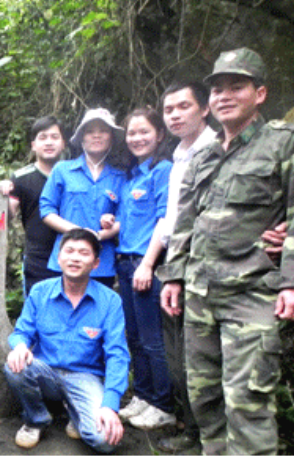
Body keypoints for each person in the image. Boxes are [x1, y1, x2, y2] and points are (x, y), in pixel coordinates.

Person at [158, 48, 294, 454]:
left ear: (261, 93)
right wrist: (175, 276)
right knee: (205, 399)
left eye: (237, 86)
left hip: (251, 294)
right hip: (200, 295)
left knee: (248, 402)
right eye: (217, 89)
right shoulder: (202, 155)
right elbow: (185, 222)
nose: (224, 96)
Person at [4, 228, 129, 452]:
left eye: (83, 253)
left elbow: (117, 355)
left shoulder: (110, 301)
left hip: (85, 377)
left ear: (96, 263)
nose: (75, 258)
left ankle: (77, 411)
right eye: (69, 251)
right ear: (58, 257)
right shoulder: (40, 292)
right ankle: (37, 419)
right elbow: (22, 331)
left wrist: (110, 405)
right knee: (14, 366)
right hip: (45, 372)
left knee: (105, 441)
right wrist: (20, 346)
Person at [154, 80, 216, 451]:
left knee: (207, 361)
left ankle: (210, 438)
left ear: (203, 108)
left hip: (219, 270)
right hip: (177, 265)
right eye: (169, 109)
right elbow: (172, 218)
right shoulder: (178, 156)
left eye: (183, 106)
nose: (175, 114)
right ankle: (192, 431)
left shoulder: (225, 145)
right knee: (180, 357)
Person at [111, 107, 175, 430]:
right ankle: (144, 396)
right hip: (124, 264)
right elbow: (130, 221)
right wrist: (111, 223)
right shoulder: (130, 176)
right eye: (132, 133)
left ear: (160, 135)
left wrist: (148, 264)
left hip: (145, 265)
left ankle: (163, 405)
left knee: (152, 338)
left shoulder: (163, 170)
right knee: (134, 337)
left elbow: (164, 220)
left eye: (144, 132)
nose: (137, 138)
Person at [40, 108, 126, 288]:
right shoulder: (62, 170)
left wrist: (101, 233)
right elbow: (47, 210)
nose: (97, 136)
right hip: (65, 260)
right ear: (81, 138)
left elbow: (124, 218)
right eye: (90, 131)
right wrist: (79, 234)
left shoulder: (120, 177)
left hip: (102, 263)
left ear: (111, 137)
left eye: (103, 131)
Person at [0, 115, 65, 296]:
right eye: (43, 137)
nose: (49, 142)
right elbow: (8, 214)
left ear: (63, 143)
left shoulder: (73, 175)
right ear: (33, 145)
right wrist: (1, 194)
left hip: (73, 254)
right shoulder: (21, 178)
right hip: (37, 258)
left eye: (54, 137)